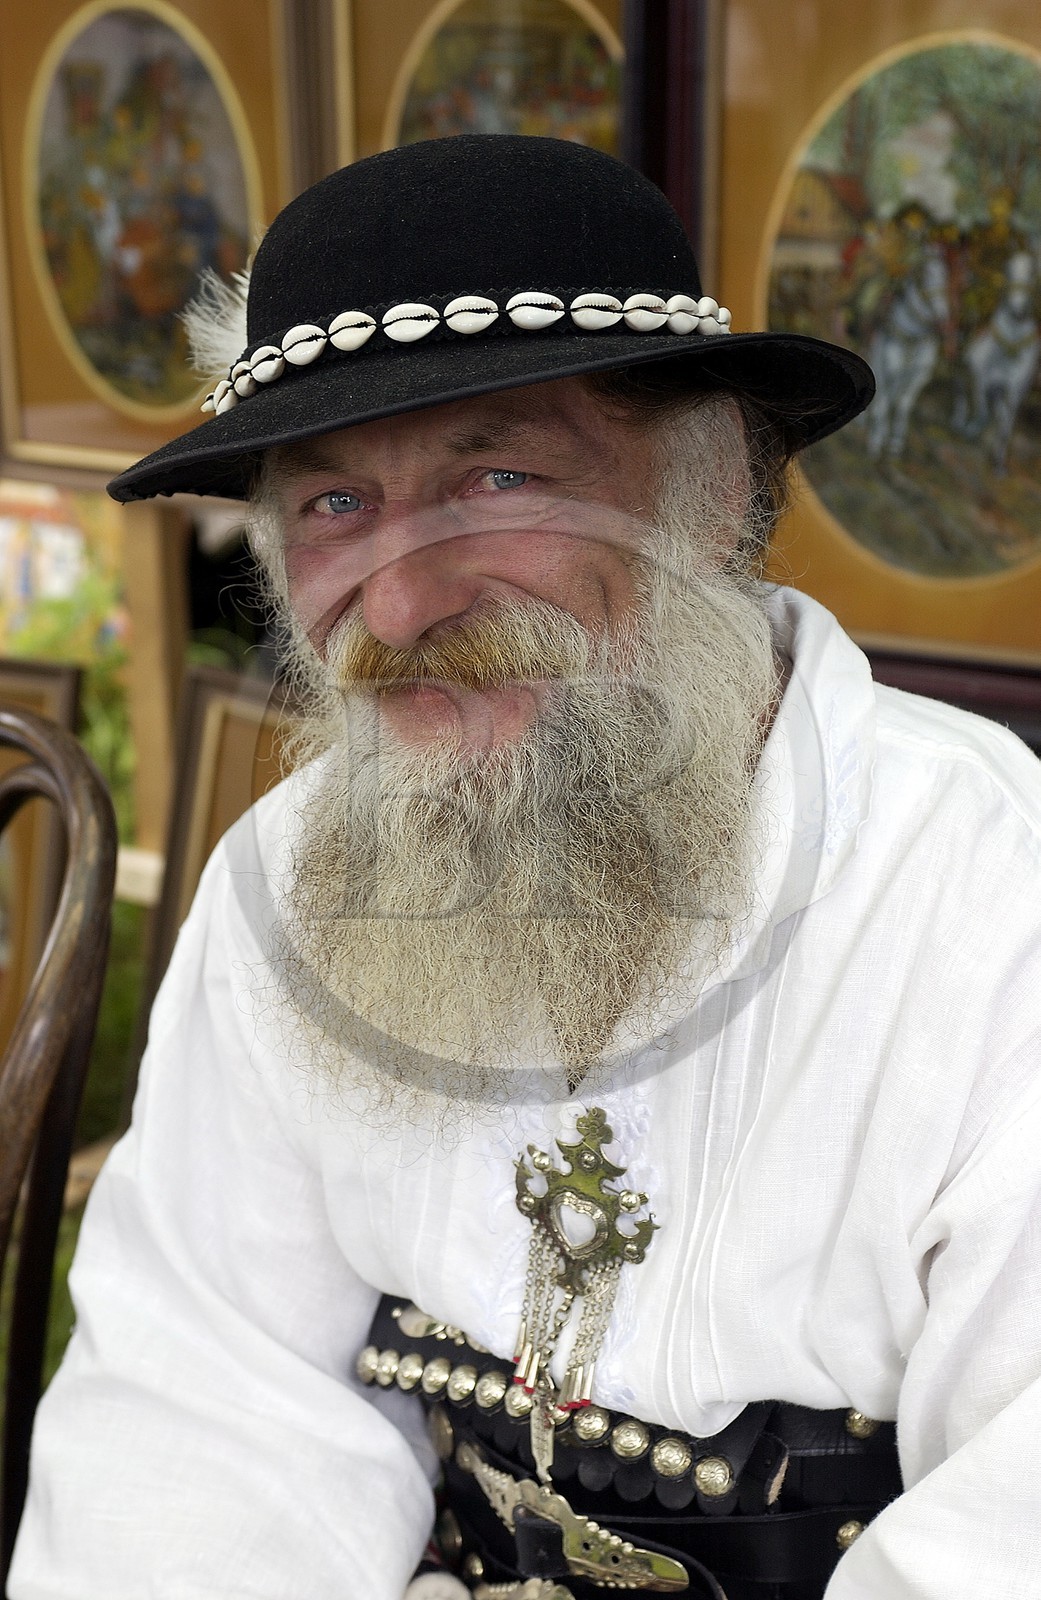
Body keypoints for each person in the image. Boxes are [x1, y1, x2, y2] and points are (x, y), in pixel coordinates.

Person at [11, 136, 1041, 1600]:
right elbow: (203, 1425)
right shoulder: (282, 889)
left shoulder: (995, 908)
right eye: (333, 507)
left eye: (494, 475)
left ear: (717, 486)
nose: (402, 597)